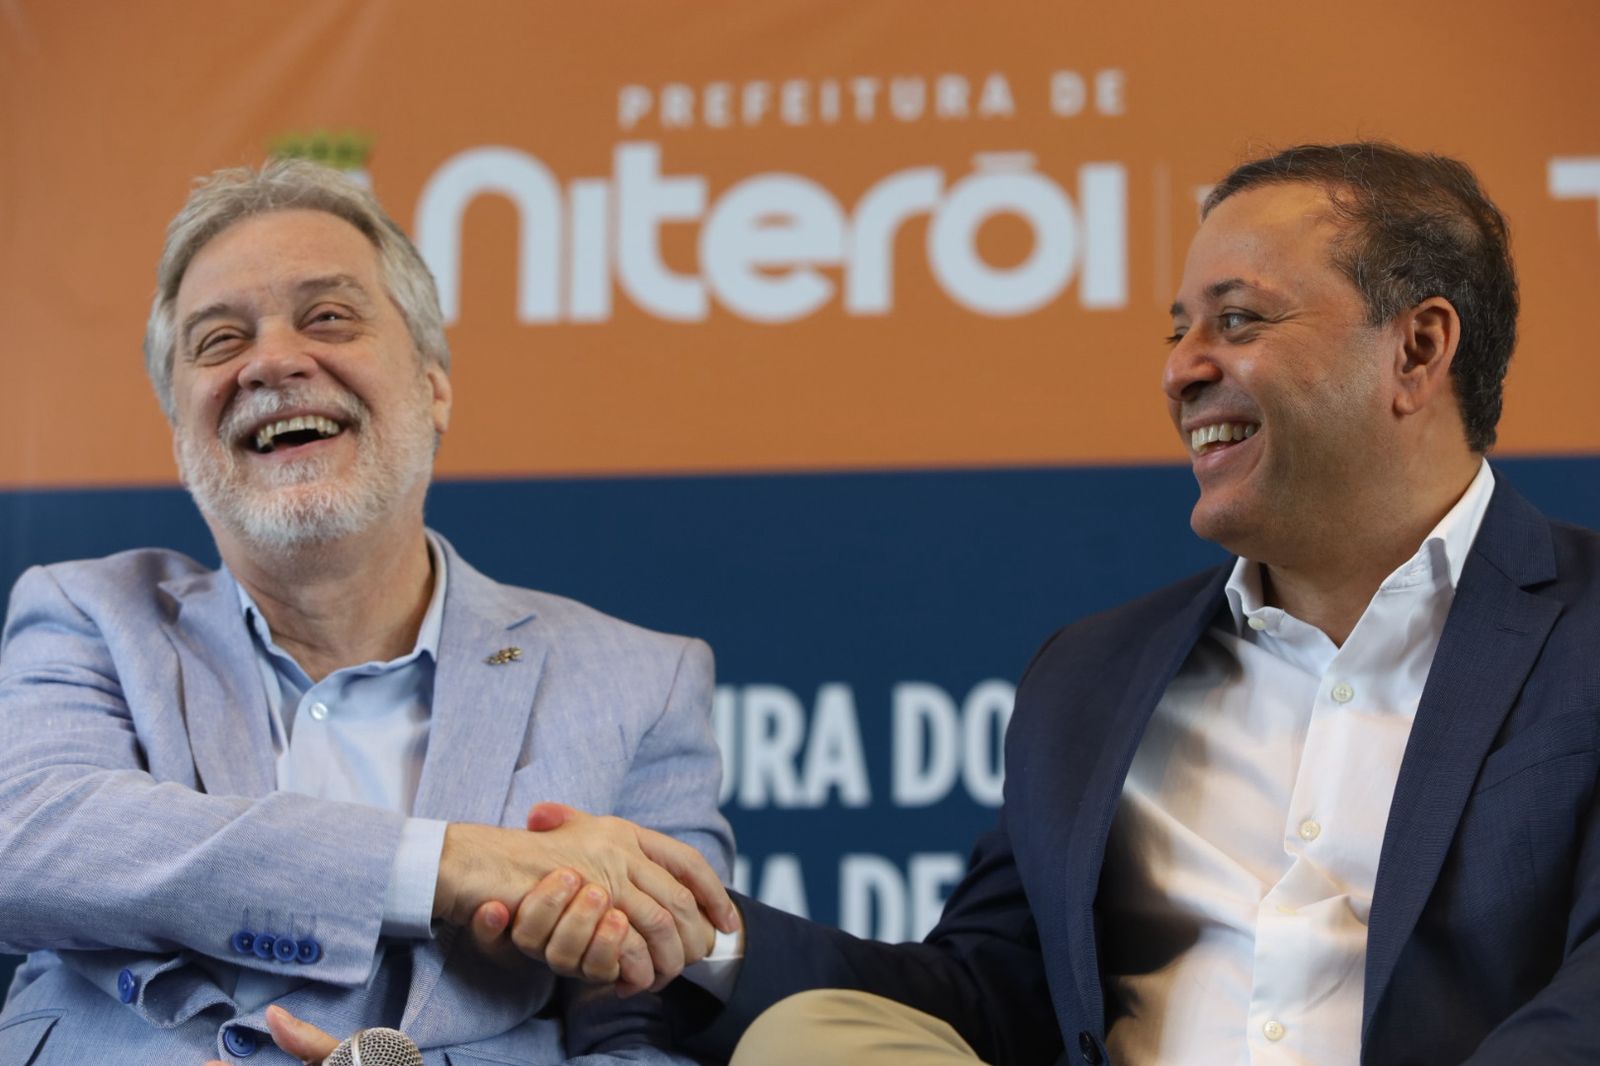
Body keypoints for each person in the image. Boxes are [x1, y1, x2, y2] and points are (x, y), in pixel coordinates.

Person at [385, 141, 1591, 1066]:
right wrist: (686, 927)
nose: (1181, 369)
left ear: (1417, 350)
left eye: (1237, 320)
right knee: (818, 1042)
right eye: (1178, 331)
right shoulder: (1097, 676)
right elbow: (983, 999)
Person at [0, 159, 741, 1064]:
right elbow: (26, 843)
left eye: (328, 317)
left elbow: (659, 1020)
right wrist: (445, 862)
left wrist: (615, 933)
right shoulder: (88, 615)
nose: (272, 361)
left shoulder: (641, 680)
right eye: (220, 340)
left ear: (434, 387)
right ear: (181, 435)